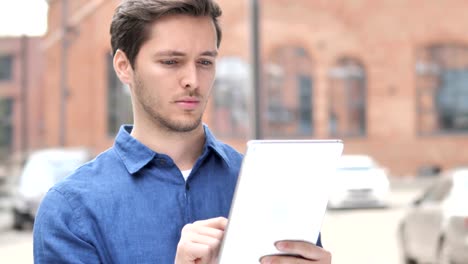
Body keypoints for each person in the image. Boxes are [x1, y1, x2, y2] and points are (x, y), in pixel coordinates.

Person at [33, 0, 332, 263]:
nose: (192, 79)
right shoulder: (71, 210)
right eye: (171, 62)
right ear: (124, 66)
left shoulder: (270, 186)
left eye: (205, 62)